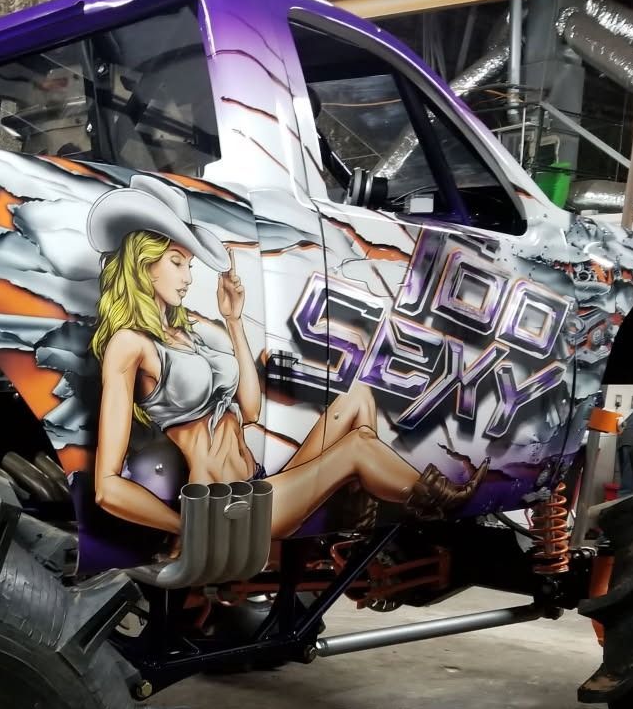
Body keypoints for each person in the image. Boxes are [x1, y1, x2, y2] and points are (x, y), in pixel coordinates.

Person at [87, 175, 484, 538]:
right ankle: (433, 498)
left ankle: (354, 512)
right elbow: (106, 487)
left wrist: (234, 321)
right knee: (359, 444)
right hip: (226, 508)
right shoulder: (129, 344)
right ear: (144, 264)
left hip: (258, 482)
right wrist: (188, 533)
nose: (188, 277)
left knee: (357, 396)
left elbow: (250, 410)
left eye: (189, 264)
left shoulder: (187, 332)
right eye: (177, 263)